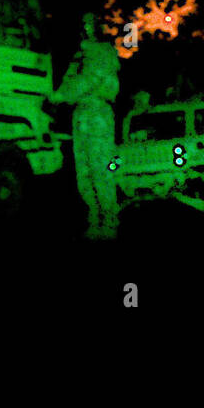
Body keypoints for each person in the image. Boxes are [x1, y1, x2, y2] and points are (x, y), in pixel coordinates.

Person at [53, 12, 122, 240]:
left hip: (98, 113)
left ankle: (110, 220)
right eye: (82, 24)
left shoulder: (104, 51)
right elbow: (69, 79)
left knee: (100, 168)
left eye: (89, 24)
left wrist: (62, 95)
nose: (85, 28)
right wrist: (60, 95)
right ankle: (94, 218)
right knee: (83, 171)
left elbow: (90, 80)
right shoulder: (79, 54)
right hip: (81, 114)